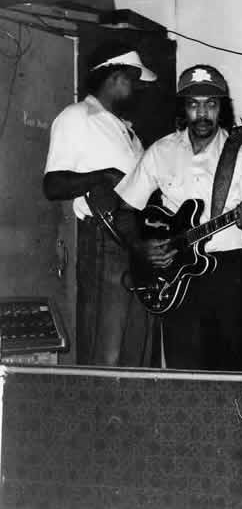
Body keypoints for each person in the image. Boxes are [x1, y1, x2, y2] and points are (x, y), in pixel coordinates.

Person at [116, 64, 242, 371]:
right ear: (183, 108)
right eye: (194, 104)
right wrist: (139, 247)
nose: (202, 114)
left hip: (230, 278)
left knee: (232, 372)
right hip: (176, 277)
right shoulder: (160, 151)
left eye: (211, 105)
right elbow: (123, 211)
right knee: (182, 370)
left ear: (221, 109)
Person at [43, 42, 157, 366]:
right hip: (104, 243)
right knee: (105, 351)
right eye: (131, 80)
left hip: (136, 244)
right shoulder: (76, 117)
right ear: (114, 78)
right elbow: (52, 185)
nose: (135, 89)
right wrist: (102, 176)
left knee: (136, 350)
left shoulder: (129, 132)